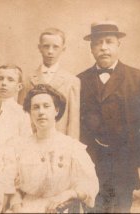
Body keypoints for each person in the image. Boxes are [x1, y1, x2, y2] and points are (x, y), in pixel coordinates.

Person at [78, 20, 140, 213]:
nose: (104, 48)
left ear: (118, 45)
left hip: (125, 162)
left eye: (109, 41)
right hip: (91, 163)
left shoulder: (137, 78)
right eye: (98, 43)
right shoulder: (80, 80)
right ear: (91, 48)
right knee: (92, 208)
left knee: (121, 208)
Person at [9, 84, 98, 213]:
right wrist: (16, 206)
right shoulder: (20, 147)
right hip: (26, 207)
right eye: (35, 107)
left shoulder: (71, 147)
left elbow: (89, 185)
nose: (41, 112)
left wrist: (68, 194)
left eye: (46, 106)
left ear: (56, 110)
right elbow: (12, 186)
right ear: (29, 112)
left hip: (61, 207)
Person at [18, 28, 80, 139]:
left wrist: (70, 147)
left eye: (55, 47)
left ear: (63, 49)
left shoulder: (72, 81)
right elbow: (22, 116)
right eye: (46, 46)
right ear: (39, 48)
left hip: (60, 142)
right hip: (32, 140)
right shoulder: (28, 80)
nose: (50, 51)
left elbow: (73, 123)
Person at [0, 64, 32, 138]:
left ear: (19, 87)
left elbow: (26, 140)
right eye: (0, 79)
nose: (4, 83)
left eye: (10, 80)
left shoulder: (21, 113)